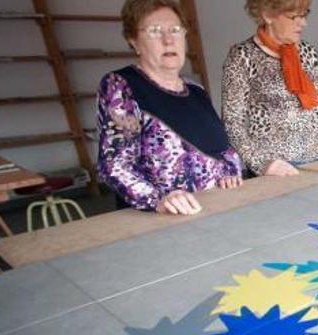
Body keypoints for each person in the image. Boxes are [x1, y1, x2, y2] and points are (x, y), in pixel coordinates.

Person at [97, 0, 242, 216]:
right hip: (165, 219)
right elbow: (114, 165)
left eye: (175, 30)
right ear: (134, 41)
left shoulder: (195, 89)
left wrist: (231, 173)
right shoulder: (121, 85)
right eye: (155, 31)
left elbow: (224, 149)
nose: (168, 40)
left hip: (216, 207)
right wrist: (158, 200)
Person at [222, 0, 318, 177]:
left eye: (305, 14)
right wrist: (261, 165)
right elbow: (232, 122)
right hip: (276, 170)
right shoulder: (242, 57)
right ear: (267, 14)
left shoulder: (308, 52)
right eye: (294, 17)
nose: (303, 23)